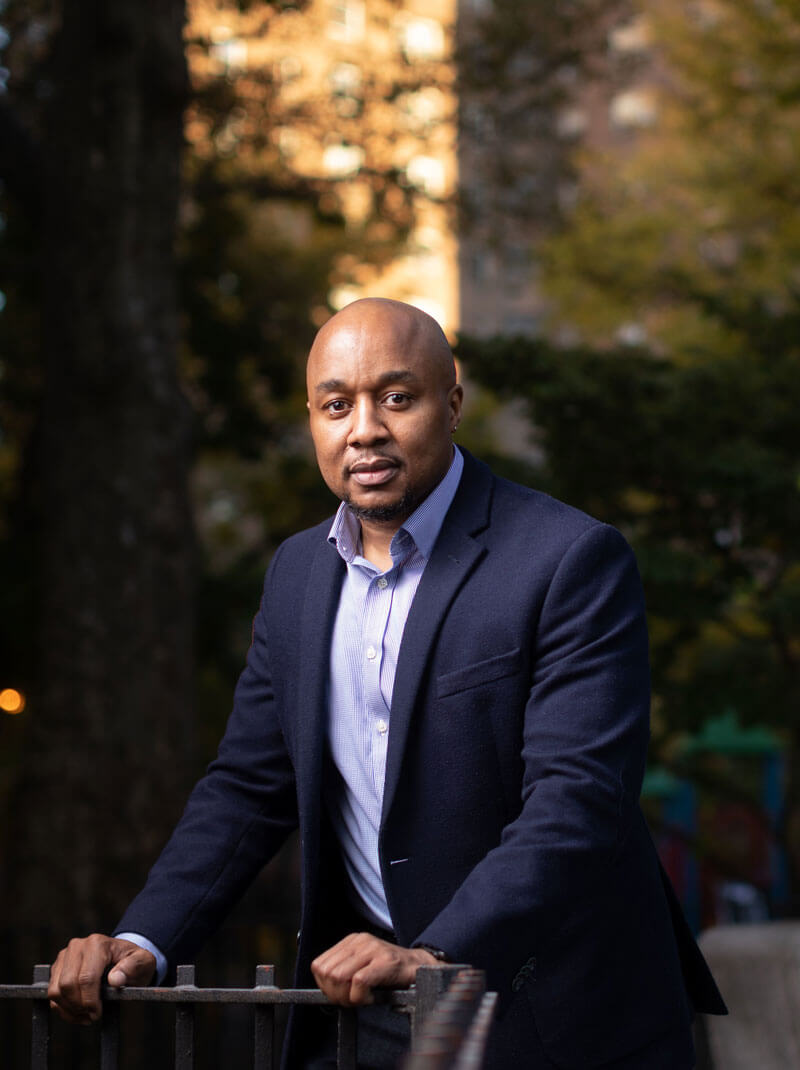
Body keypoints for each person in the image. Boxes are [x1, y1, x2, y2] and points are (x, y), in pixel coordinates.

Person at [48, 298, 725, 1067]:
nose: (364, 428)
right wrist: (145, 939)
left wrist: (438, 951)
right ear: (313, 419)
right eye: (337, 405)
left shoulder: (568, 560)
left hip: (550, 1012)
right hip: (364, 1014)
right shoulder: (298, 573)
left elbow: (579, 800)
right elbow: (247, 787)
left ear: (453, 405)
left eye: (396, 398)